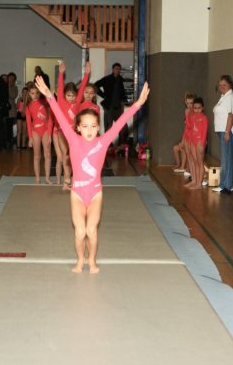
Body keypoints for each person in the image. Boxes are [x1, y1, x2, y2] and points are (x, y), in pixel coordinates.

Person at [35, 75, 150, 274]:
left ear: (98, 128)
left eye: (93, 127)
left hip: (95, 193)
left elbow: (121, 122)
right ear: (78, 128)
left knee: (91, 231)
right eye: (85, 127)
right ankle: (80, 260)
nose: (89, 131)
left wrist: (137, 104)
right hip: (78, 194)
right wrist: (49, 96)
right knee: (80, 232)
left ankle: (92, 260)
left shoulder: (102, 141)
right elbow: (60, 118)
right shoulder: (73, 139)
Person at [55, 61, 91, 190]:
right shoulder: (60, 101)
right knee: (66, 154)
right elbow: (60, 87)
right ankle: (66, 180)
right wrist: (61, 73)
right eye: (68, 95)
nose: (71, 98)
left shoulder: (77, 101)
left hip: (74, 132)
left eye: (73, 95)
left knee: (74, 155)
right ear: (64, 95)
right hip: (62, 132)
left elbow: (81, 88)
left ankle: (74, 180)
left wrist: (87, 74)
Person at [212, 74, 233, 194]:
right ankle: (228, 184)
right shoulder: (223, 97)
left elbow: (231, 115)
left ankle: (224, 185)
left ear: (230, 85)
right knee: (226, 158)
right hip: (222, 131)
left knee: (226, 159)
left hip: (227, 131)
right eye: (220, 85)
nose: (221, 87)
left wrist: (227, 131)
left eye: (224, 85)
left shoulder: (231, 97)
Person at [26, 81, 53, 184]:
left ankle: (47, 178)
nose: (35, 95)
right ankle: (37, 178)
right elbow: (29, 122)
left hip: (45, 130)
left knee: (48, 154)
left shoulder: (45, 102)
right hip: (35, 131)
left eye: (37, 93)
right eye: (32, 93)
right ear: (29, 93)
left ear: (40, 92)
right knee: (37, 155)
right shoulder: (29, 106)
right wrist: (30, 137)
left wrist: (50, 134)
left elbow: (50, 119)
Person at [95, 63, 126, 143]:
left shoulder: (120, 80)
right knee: (108, 127)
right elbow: (95, 85)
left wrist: (124, 102)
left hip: (118, 107)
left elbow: (122, 93)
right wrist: (103, 95)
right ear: (113, 69)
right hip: (108, 107)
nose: (117, 70)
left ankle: (120, 146)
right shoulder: (107, 79)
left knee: (121, 126)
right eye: (116, 68)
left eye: (119, 69)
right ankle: (108, 146)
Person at [184, 97, 208, 190]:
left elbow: (204, 132)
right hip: (193, 141)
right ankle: (195, 181)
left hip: (199, 142)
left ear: (203, 108)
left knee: (199, 162)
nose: (197, 110)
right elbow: (189, 127)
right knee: (195, 162)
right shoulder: (193, 116)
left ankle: (199, 183)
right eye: (195, 108)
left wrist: (202, 144)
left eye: (199, 108)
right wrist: (187, 115)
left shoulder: (204, 118)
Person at [173, 93, 195, 174]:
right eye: (188, 103)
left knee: (184, 149)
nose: (189, 105)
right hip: (187, 134)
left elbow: (190, 127)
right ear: (185, 103)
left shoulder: (194, 112)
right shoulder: (186, 111)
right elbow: (186, 128)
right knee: (181, 148)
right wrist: (183, 139)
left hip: (192, 136)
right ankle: (182, 166)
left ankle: (184, 167)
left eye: (191, 103)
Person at [5, 72, 18, 148]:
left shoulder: (15, 88)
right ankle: (5, 141)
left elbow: (13, 96)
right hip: (4, 110)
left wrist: (9, 87)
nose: (11, 80)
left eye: (13, 79)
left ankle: (10, 142)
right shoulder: (3, 86)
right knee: (4, 126)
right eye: (10, 78)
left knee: (10, 127)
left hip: (11, 110)